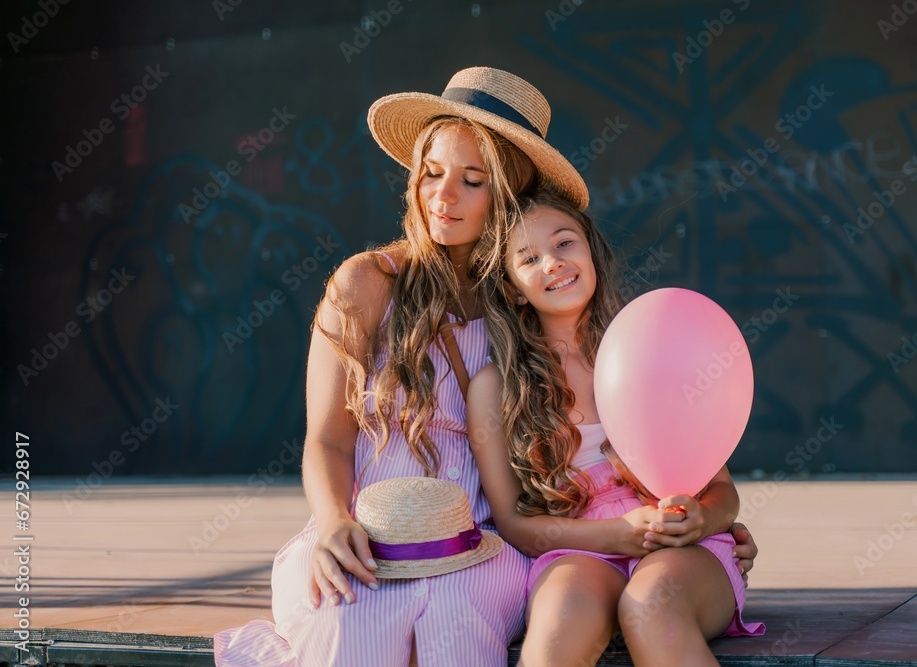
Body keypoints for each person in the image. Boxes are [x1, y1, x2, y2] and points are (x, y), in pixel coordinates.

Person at [214, 67, 759, 667]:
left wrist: (704, 520)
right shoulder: (366, 282)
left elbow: (636, 435)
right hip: (370, 531)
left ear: (508, 196)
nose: (442, 197)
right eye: (430, 173)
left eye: (472, 181)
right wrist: (330, 521)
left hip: (482, 543)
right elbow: (326, 437)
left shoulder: (519, 296)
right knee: (352, 634)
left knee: (460, 638)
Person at [467, 188, 765, 667]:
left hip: (682, 547)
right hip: (580, 548)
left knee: (652, 606)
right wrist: (617, 535)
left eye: (564, 243)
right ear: (510, 288)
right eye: (529, 258)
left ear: (591, 249)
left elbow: (723, 493)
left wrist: (701, 520)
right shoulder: (497, 386)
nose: (553, 263)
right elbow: (516, 525)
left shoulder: (653, 342)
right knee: (559, 624)